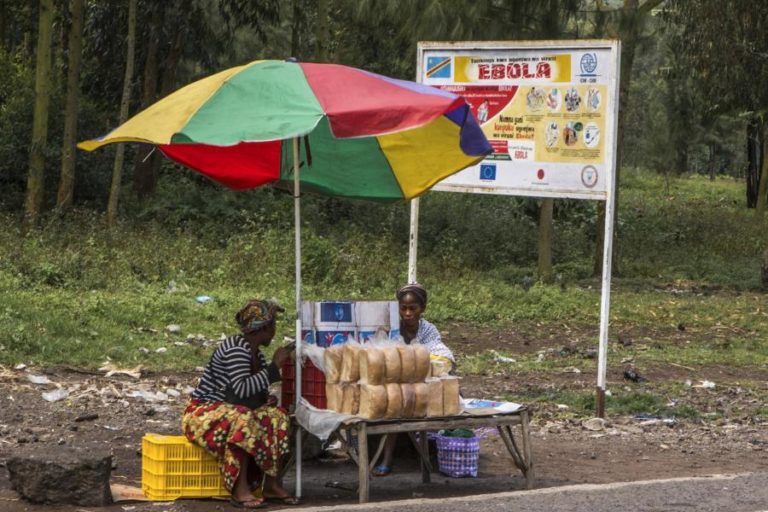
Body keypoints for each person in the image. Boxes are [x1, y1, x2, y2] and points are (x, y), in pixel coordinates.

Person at [182, 299, 299, 508]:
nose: (274, 330)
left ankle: (271, 484)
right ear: (263, 328)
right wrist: (274, 368)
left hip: (231, 408)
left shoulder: (256, 354)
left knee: (277, 416)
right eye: (273, 325)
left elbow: (251, 393)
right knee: (244, 419)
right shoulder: (236, 349)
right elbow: (239, 390)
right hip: (202, 412)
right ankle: (239, 488)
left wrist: (266, 400)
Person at [372, 283, 455, 477]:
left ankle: (434, 453)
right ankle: (387, 459)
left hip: (422, 382)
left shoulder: (428, 330)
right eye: (403, 308)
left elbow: (441, 355)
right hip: (396, 383)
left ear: (422, 309)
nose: (407, 313)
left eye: (413, 308)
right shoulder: (392, 328)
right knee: (395, 403)